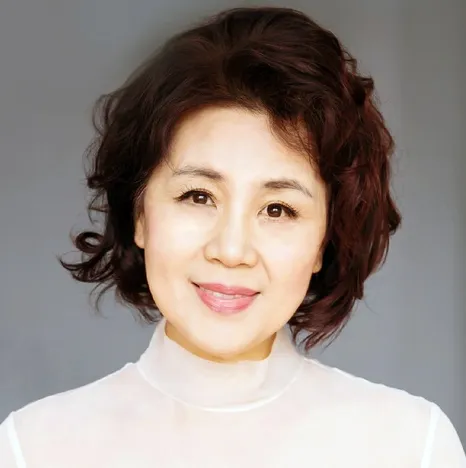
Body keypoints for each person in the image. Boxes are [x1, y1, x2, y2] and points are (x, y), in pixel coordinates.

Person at [1, 5, 465, 467]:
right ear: (139, 213)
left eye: (278, 209)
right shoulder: (33, 447)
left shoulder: (411, 445)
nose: (231, 250)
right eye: (199, 196)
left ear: (325, 240)